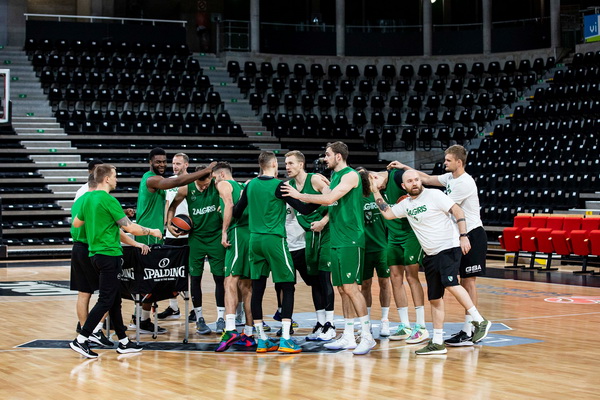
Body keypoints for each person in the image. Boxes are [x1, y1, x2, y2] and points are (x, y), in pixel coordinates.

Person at [369, 169, 491, 355]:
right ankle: (437, 342)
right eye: (410, 181)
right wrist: (375, 191)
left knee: (451, 283)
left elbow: (457, 210)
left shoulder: (435, 195)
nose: (415, 183)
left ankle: (479, 319)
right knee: (434, 298)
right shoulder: (406, 204)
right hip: (430, 254)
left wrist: (464, 235)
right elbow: (387, 213)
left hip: (448, 248)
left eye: (417, 179)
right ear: (404, 186)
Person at [282, 141, 377, 355]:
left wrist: (298, 196)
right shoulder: (334, 177)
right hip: (336, 237)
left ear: (339, 157)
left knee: (352, 288)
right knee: (342, 289)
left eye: (328, 155)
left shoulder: (350, 175)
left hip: (351, 239)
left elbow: (329, 199)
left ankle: (367, 336)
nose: (325, 158)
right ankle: (349, 335)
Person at [69, 164, 162, 359]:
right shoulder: (109, 200)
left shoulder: (86, 198)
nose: (117, 179)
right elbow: (132, 229)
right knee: (105, 300)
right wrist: (152, 231)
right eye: (115, 176)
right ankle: (81, 339)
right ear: (106, 179)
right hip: (109, 255)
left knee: (114, 300)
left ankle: (124, 341)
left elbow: (77, 223)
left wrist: (100, 223)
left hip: (94, 254)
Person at [232, 151, 320, 353]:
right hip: (274, 240)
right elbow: (305, 210)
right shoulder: (279, 186)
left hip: (255, 240)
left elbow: (237, 212)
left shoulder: (250, 185)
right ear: (273, 164)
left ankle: (262, 340)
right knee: (288, 286)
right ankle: (286, 338)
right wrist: (325, 198)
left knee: (257, 288)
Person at [134, 147, 216, 334]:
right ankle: (142, 319)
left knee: (152, 279)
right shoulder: (152, 179)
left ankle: (142, 318)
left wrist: (167, 223)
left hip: (155, 233)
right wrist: (204, 171)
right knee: (149, 280)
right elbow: (176, 182)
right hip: (147, 236)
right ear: (150, 162)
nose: (162, 164)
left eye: (164, 161)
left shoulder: (155, 180)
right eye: (159, 161)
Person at [368, 167, 427, 344]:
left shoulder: (396, 176)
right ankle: (405, 325)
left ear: (376, 176)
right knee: (395, 277)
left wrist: (404, 167)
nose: (373, 187)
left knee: (412, 276)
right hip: (392, 237)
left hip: (410, 235)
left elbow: (417, 181)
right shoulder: (377, 190)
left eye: (373, 182)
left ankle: (421, 325)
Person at [167, 165, 226, 335]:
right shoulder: (187, 187)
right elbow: (172, 206)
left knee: (219, 278)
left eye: (205, 183)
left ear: (211, 178)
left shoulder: (217, 185)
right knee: (195, 279)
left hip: (215, 237)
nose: (203, 187)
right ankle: (199, 318)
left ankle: (221, 317)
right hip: (196, 238)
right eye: (200, 184)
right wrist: (169, 224)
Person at [284, 150, 336, 342]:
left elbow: (334, 200)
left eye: (291, 163)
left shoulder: (315, 180)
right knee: (314, 281)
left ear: (301, 164)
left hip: (326, 231)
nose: (287, 167)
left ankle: (330, 324)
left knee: (324, 278)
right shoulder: (288, 186)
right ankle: (321, 323)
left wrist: (324, 220)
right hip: (309, 235)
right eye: (286, 164)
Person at [213, 162, 256, 351]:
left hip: (237, 234)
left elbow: (229, 204)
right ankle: (249, 331)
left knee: (229, 281)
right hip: (250, 235)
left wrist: (224, 231)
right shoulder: (244, 186)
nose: (214, 181)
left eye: (215, 177)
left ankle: (230, 328)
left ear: (221, 174)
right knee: (246, 286)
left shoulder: (223, 184)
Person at [356, 167, 391, 338]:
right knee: (365, 285)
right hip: (364, 248)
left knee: (385, 283)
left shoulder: (379, 195)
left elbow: (386, 176)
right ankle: (366, 322)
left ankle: (385, 321)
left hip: (382, 246)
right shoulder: (355, 198)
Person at [157, 153, 190, 321]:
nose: (175, 166)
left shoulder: (192, 180)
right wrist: (166, 225)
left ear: (186, 165)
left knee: (190, 272)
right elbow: (167, 204)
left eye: (178, 163)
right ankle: (173, 306)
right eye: (173, 163)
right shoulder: (170, 182)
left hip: (189, 232)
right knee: (171, 270)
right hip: (171, 233)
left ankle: (193, 309)